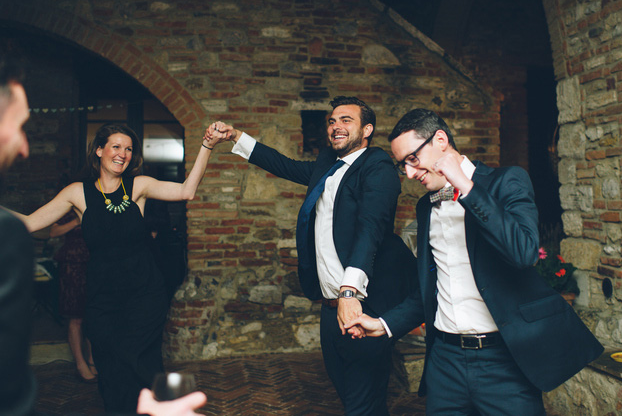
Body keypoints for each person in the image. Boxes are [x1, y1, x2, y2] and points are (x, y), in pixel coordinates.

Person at [345, 108, 604, 415]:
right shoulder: (425, 209)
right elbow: (433, 288)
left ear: (440, 140)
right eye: (403, 166)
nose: (410, 174)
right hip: (445, 363)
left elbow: (523, 253)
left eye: (412, 159)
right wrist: (385, 324)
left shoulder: (507, 181)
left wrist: (467, 189)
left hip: (504, 362)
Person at [0, 41, 207, 415]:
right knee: (111, 369)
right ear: (99, 150)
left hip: (145, 294)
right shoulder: (77, 194)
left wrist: (206, 146)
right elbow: (29, 223)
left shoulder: (139, 186)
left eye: (128, 149)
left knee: (143, 364)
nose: (122, 154)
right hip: (103, 298)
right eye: (115, 146)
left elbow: (187, 191)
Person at [207, 96, 416, 416]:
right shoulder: (327, 166)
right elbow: (285, 165)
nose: (336, 126)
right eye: (332, 121)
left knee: (362, 400)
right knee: (351, 394)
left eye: (346, 120)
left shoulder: (377, 165)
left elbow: (370, 228)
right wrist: (237, 137)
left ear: (367, 129)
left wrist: (350, 292)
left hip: (363, 304)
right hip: (330, 308)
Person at [50, 210, 97, 383]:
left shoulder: (97, 206)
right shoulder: (68, 210)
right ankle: (80, 364)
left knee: (93, 315)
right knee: (76, 317)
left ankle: (93, 360)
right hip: (72, 266)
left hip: (94, 263)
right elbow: (53, 232)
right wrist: (77, 221)